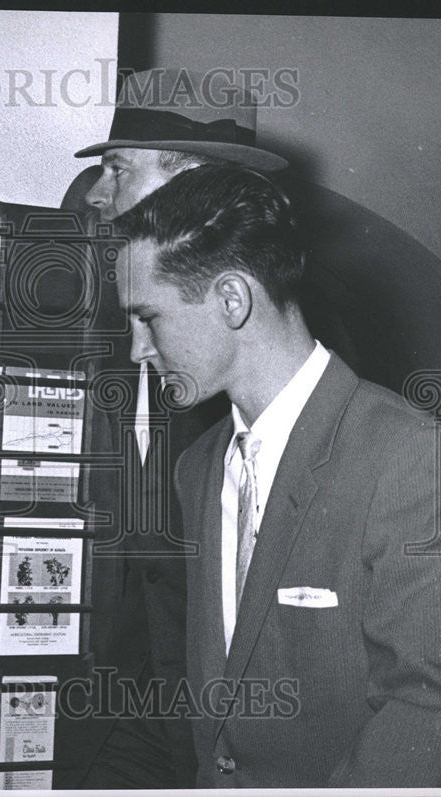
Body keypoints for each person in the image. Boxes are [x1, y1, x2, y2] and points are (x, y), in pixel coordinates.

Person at [109, 163, 441, 787]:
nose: (137, 349)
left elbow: (438, 704)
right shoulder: (197, 467)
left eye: (148, 318)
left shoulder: (411, 459)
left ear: (232, 299)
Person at [69, 69, 287, 788]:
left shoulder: (280, 332)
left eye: (117, 170)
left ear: (187, 182)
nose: (98, 194)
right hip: (102, 691)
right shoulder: (87, 298)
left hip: (217, 701)